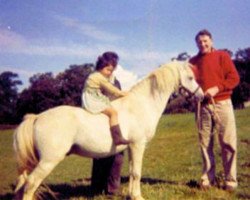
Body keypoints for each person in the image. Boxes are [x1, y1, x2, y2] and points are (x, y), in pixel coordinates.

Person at [189, 29, 240, 191]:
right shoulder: (193, 61)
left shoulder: (222, 56)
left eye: (205, 41)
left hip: (222, 103)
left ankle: (230, 180)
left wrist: (217, 88)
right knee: (205, 143)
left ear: (211, 41)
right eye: (199, 42)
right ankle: (207, 178)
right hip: (202, 106)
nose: (202, 44)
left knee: (227, 142)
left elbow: (234, 78)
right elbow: (191, 84)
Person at [82, 51, 129, 145]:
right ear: (100, 67)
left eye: (111, 71)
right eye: (108, 70)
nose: (109, 73)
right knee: (113, 113)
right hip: (93, 98)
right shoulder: (99, 77)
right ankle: (117, 137)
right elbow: (111, 89)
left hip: (94, 96)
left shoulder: (95, 75)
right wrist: (123, 93)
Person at [90, 78, 125, 196]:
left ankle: (112, 190)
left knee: (117, 156)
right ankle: (97, 188)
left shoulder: (116, 82)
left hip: (116, 121)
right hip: (101, 120)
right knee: (100, 155)